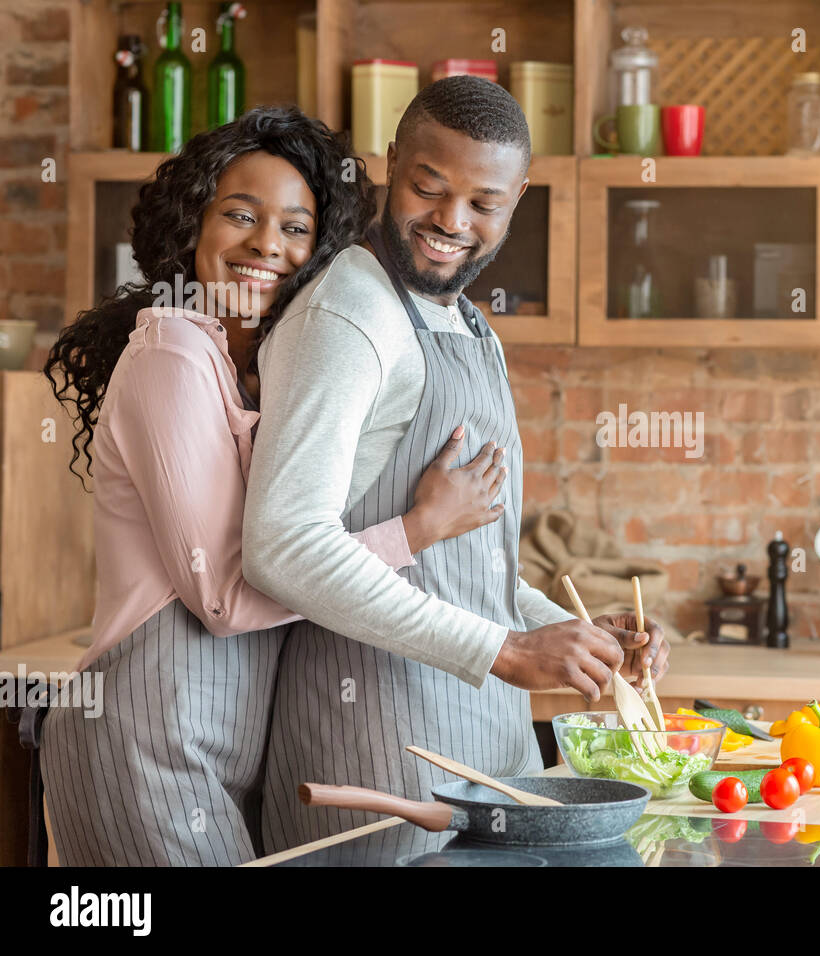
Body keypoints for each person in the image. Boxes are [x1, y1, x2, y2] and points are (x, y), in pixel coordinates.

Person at [40, 106, 507, 865]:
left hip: (218, 752)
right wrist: (416, 530)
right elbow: (225, 599)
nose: (268, 245)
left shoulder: (250, 369)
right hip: (144, 745)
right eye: (241, 216)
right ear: (191, 224)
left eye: (296, 227)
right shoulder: (174, 353)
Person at [244, 76, 670, 853]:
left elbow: (468, 575)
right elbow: (283, 543)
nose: (451, 221)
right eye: (428, 187)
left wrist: (569, 632)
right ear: (390, 163)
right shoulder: (349, 314)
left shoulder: (469, 322)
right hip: (378, 765)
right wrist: (506, 651)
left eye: (484, 203)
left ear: (520, 197)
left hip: (488, 761)